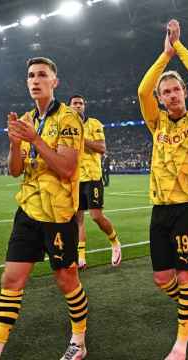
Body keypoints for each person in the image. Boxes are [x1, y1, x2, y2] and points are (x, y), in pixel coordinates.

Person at [0, 57, 88, 360]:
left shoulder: (69, 119)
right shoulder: (26, 118)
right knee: (11, 279)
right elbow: (14, 170)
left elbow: (67, 169)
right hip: (28, 210)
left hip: (58, 214)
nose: (35, 80)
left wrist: (34, 139)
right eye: (31, 75)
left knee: (66, 279)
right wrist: (13, 143)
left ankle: (79, 342)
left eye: (42, 75)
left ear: (54, 82)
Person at [137, 19, 188, 360]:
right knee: (161, 278)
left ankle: (180, 345)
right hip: (161, 208)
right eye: (165, 92)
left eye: (175, 90)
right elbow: (142, 91)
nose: (171, 95)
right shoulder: (157, 123)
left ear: (184, 92)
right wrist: (163, 58)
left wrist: (178, 47)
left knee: (186, 274)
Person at [68, 94, 122, 270]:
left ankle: (115, 242)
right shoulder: (66, 128)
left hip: (92, 177)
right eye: (74, 103)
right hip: (75, 179)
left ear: (84, 106)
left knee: (96, 216)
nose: (77, 106)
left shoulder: (94, 124)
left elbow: (101, 148)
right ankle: (81, 257)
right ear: (69, 107)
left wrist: (81, 138)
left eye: (80, 103)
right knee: (78, 219)